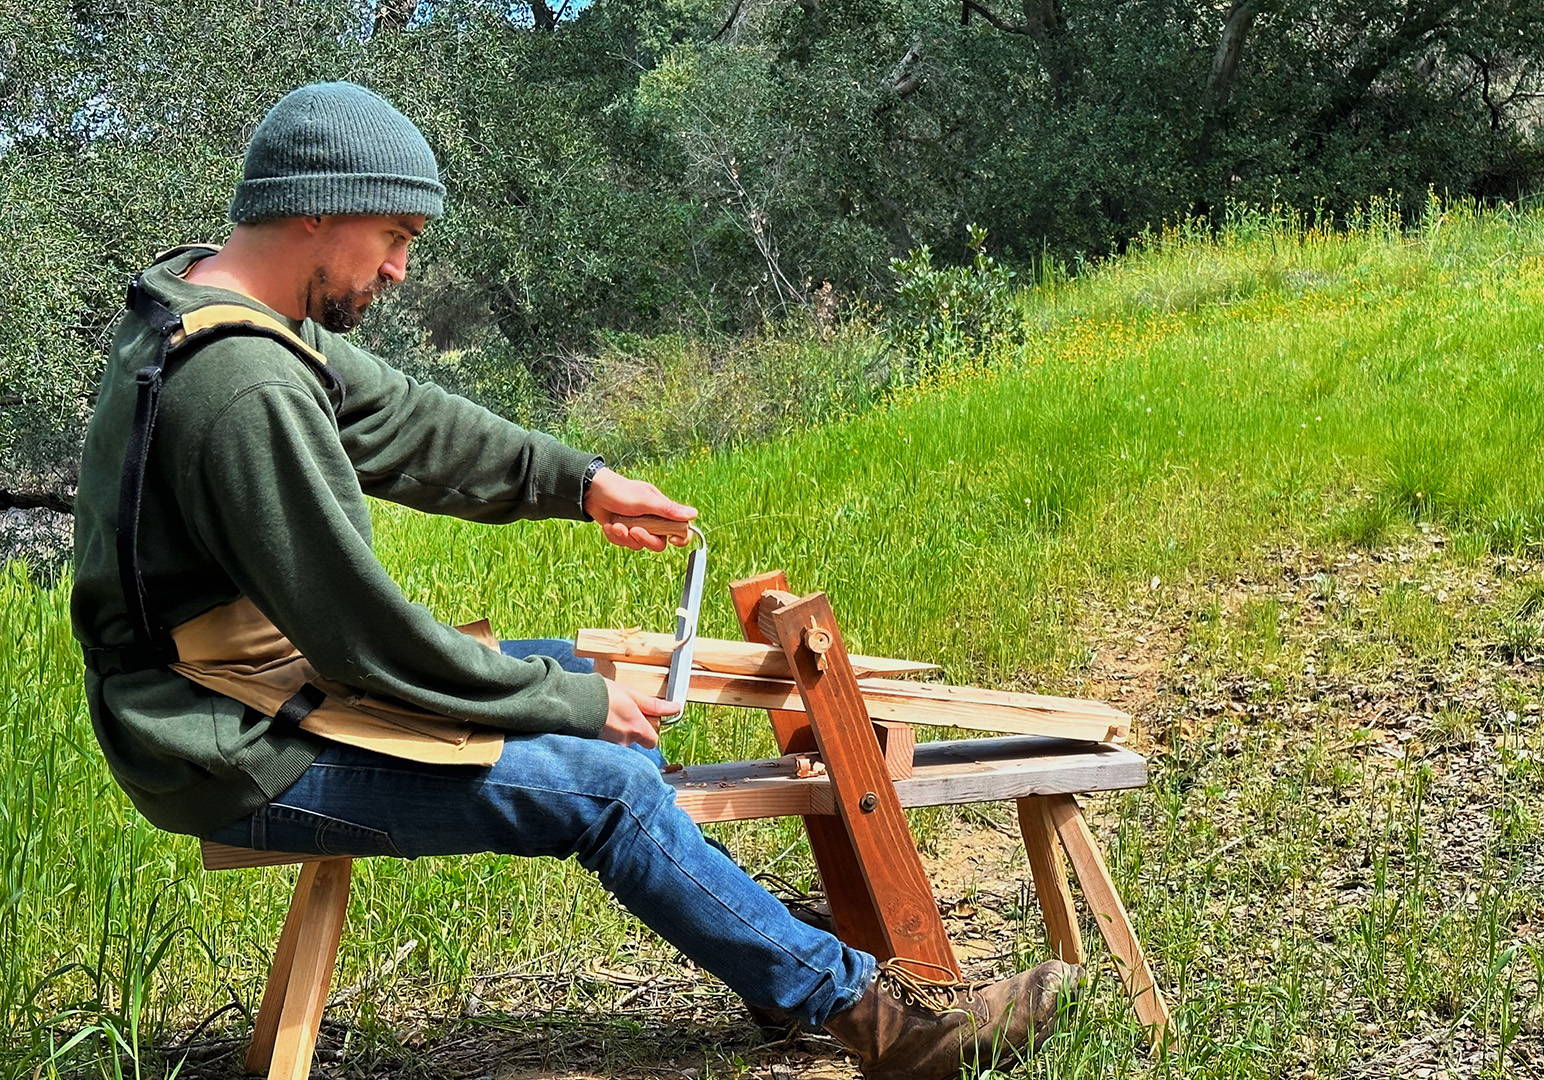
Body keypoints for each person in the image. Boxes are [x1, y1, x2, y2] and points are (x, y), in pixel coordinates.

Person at [67, 81, 1075, 1080]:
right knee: (600, 784)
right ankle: (883, 1027)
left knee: (575, 702)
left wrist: (582, 484)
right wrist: (573, 701)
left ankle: (786, 966)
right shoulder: (243, 385)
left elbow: (410, 420)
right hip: (227, 749)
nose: (403, 269)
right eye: (396, 234)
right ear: (319, 205)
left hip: (255, 701)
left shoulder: (222, 308)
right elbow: (363, 638)